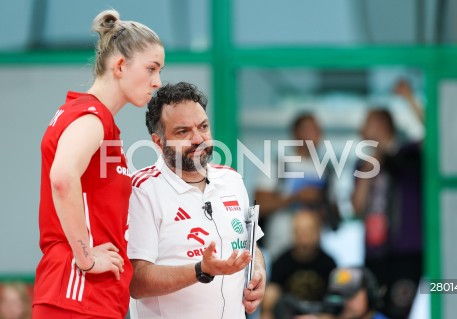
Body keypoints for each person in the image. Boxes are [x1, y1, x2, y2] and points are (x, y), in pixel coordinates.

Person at [33, 9, 164, 319]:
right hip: (78, 295)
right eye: (152, 68)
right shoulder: (92, 118)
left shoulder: (95, 119)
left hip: (94, 298)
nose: (157, 81)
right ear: (119, 66)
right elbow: (62, 178)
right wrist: (86, 256)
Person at [127, 82, 267, 319]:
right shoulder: (142, 190)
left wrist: (259, 272)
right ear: (158, 141)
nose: (198, 138)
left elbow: (249, 245)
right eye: (183, 132)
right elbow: (135, 282)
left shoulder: (231, 179)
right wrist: (200, 270)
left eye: (203, 127)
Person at [351, 80, 423, 319]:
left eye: (367, 122)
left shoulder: (409, 154)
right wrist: (371, 165)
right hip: (375, 251)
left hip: (407, 250)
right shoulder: (363, 164)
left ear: (382, 125)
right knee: (373, 311)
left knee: (399, 310)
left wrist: (409, 98)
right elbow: (357, 207)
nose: (362, 128)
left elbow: (435, 133)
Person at [254, 113, 340, 262]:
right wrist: (297, 197)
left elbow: (335, 214)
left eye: (317, 130)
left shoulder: (326, 170)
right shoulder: (278, 164)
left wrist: (322, 209)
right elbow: (259, 204)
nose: (315, 134)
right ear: (296, 132)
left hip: (314, 249)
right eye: (309, 129)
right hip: (281, 245)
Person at [261, 209, 337, 319]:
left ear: (318, 232)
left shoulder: (329, 263)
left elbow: (335, 303)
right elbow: (270, 298)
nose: (303, 235)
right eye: (299, 231)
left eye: (308, 230)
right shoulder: (281, 262)